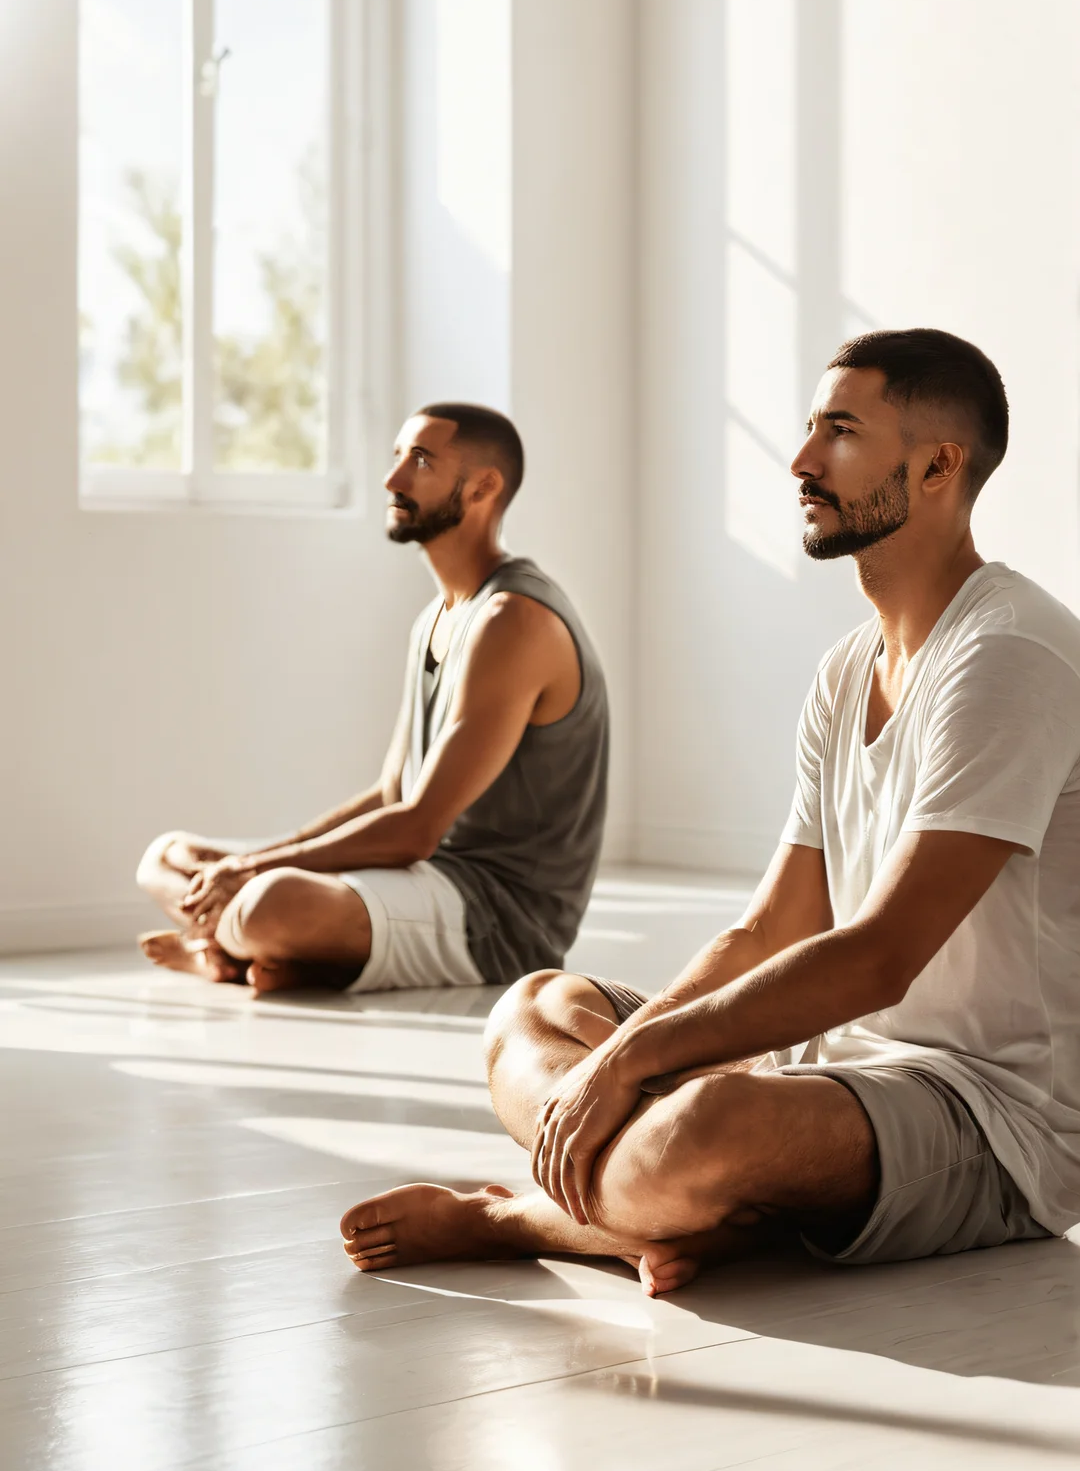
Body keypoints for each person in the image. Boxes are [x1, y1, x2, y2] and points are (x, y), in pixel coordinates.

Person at [342, 327, 1080, 1293]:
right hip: (824, 1074)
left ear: (939, 463)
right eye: (811, 427)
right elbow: (773, 926)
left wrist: (633, 1063)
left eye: (842, 433)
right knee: (530, 1008)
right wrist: (625, 1063)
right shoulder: (847, 668)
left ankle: (521, 1216)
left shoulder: (1009, 654)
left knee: (705, 1129)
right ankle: (694, 1211)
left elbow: (880, 954)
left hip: (990, 1115)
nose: (802, 460)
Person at [136, 402, 608, 995]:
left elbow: (415, 830)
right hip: (418, 882)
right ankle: (256, 958)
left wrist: (255, 870)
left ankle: (245, 949)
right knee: (167, 857)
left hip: (495, 919)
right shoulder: (435, 617)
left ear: (484, 487)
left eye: (421, 461)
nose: (393, 479)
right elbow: (394, 794)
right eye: (396, 457)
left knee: (269, 903)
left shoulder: (513, 621)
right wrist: (249, 860)